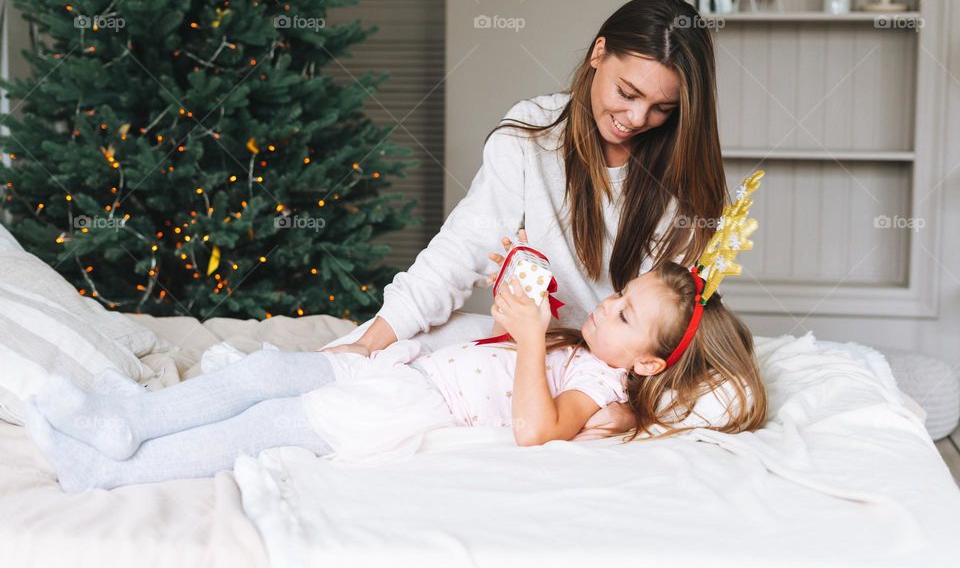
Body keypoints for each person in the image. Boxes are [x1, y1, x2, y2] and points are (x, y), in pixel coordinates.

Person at [22, 262, 765, 493]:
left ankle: (108, 472)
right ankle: (134, 421)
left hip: (406, 408)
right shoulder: (588, 347)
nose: (608, 306)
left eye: (627, 315)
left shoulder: (605, 395)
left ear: (645, 364)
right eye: (621, 294)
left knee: (263, 425)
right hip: (402, 372)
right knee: (267, 370)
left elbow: (535, 429)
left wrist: (536, 341)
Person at [321, 0, 727, 362]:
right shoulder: (531, 132)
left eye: (662, 108)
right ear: (598, 53)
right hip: (532, 342)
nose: (638, 119)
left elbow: (664, 326)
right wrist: (373, 340)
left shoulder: (681, 177)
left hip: (608, 365)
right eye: (627, 93)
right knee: (373, 354)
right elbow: (462, 248)